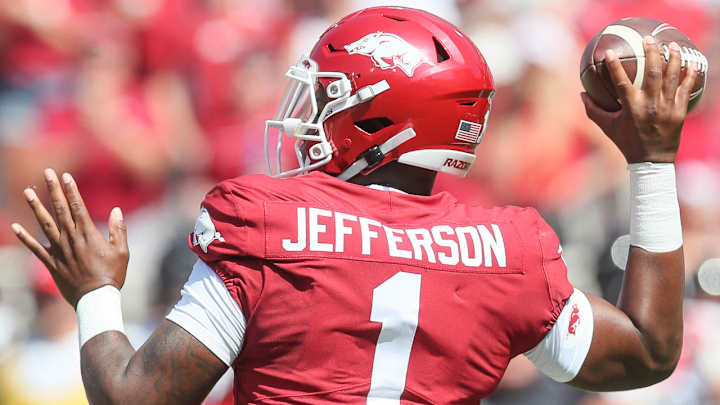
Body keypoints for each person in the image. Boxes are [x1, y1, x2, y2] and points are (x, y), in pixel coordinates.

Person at [10, 7, 698, 404]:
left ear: (378, 119)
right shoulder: (509, 249)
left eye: (326, 97)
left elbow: (136, 397)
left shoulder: (266, 222)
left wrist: (94, 292)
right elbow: (647, 350)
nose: (307, 115)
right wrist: (652, 161)